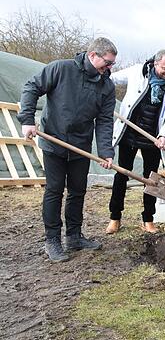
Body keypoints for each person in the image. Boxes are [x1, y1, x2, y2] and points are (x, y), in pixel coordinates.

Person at [18, 37, 118, 262]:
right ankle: (52, 240)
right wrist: (27, 119)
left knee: (78, 190)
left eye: (112, 64)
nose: (110, 68)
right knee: (54, 190)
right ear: (93, 55)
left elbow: (104, 121)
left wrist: (105, 151)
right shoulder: (60, 69)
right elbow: (31, 87)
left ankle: (74, 236)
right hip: (54, 141)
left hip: (80, 145)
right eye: (108, 62)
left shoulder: (107, 86)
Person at [108, 50, 165, 234]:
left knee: (151, 180)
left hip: (153, 138)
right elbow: (111, 79)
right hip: (128, 133)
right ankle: (115, 218)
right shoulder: (136, 72)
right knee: (122, 175)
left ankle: (148, 219)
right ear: (155, 64)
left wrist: (163, 135)